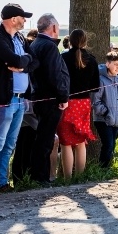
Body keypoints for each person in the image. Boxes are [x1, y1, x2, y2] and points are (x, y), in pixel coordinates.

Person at [0, 4, 37, 194]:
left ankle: (2, 182)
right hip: (4, 99)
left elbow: (34, 60)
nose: (25, 21)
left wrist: (23, 65)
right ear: (13, 19)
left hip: (21, 100)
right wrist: (22, 61)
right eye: (23, 17)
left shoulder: (21, 37)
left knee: (10, 144)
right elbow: (14, 59)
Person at [30, 13, 70, 185]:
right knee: (45, 139)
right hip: (50, 98)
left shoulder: (35, 44)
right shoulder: (49, 46)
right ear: (53, 27)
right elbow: (55, 74)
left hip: (38, 97)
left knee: (42, 138)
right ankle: (41, 177)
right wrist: (62, 96)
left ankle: (38, 175)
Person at [58, 29, 99, 178]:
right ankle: (80, 177)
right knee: (81, 141)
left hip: (67, 102)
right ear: (85, 41)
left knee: (66, 142)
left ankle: (67, 178)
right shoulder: (92, 60)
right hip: (84, 103)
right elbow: (96, 85)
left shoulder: (63, 58)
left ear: (70, 41)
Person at [92, 52, 118, 169]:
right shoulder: (101, 80)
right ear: (108, 64)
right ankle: (102, 169)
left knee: (112, 146)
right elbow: (95, 101)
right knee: (108, 144)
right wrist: (106, 113)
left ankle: (107, 167)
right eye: (115, 64)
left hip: (116, 119)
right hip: (103, 119)